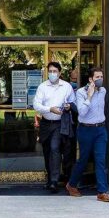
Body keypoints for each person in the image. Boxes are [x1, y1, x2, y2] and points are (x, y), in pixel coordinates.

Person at [65, 68, 109, 202]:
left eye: (101, 76)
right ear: (90, 79)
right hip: (85, 130)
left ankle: (102, 192)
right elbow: (81, 112)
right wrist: (89, 96)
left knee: (100, 160)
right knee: (83, 160)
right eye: (97, 77)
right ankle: (72, 185)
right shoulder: (81, 92)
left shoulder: (103, 91)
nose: (100, 79)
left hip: (100, 130)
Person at [32, 61, 74, 194]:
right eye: (50, 71)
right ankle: (50, 179)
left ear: (60, 73)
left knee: (55, 148)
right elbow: (36, 105)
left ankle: (55, 181)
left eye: (55, 71)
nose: (52, 74)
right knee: (47, 150)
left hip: (59, 123)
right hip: (45, 123)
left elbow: (72, 102)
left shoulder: (66, 86)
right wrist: (49, 109)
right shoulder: (42, 87)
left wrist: (68, 106)